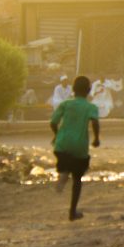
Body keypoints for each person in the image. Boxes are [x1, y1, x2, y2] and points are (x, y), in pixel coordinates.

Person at [50, 76, 100, 221]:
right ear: (89, 90)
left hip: (61, 144)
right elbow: (95, 122)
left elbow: (53, 122)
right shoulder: (91, 107)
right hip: (79, 147)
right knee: (77, 179)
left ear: (72, 89)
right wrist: (96, 138)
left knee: (64, 161)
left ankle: (63, 173)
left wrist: (57, 135)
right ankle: (72, 212)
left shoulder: (65, 104)